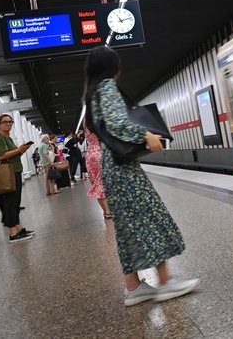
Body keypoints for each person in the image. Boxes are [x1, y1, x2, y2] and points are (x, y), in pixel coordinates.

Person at [83, 46, 198, 307]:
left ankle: (133, 288)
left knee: (127, 226)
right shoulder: (107, 87)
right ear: (113, 68)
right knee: (150, 216)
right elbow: (117, 123)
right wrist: (145, 135)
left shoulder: (92, 94)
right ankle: (167, 282)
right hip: (123, 170)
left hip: (112, 167)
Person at [0, 114, 35, 243]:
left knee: (15, 202)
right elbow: (0, 156)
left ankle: (18, 228)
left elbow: (12, 156)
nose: (8, 124)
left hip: (14, 171)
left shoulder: (7, 138)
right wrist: (18, 150)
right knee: (10, 202)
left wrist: (22, 150)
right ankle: (13, 233)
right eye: (5, 122)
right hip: (7, 174)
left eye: (10, 122)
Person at [83, 125, 111, 219]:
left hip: (90, 153)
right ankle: (109, 211)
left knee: (96, 183)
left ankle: (106, 211)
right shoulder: (98, 116)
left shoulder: (85, 121)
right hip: (100, 150)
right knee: (103, 182)